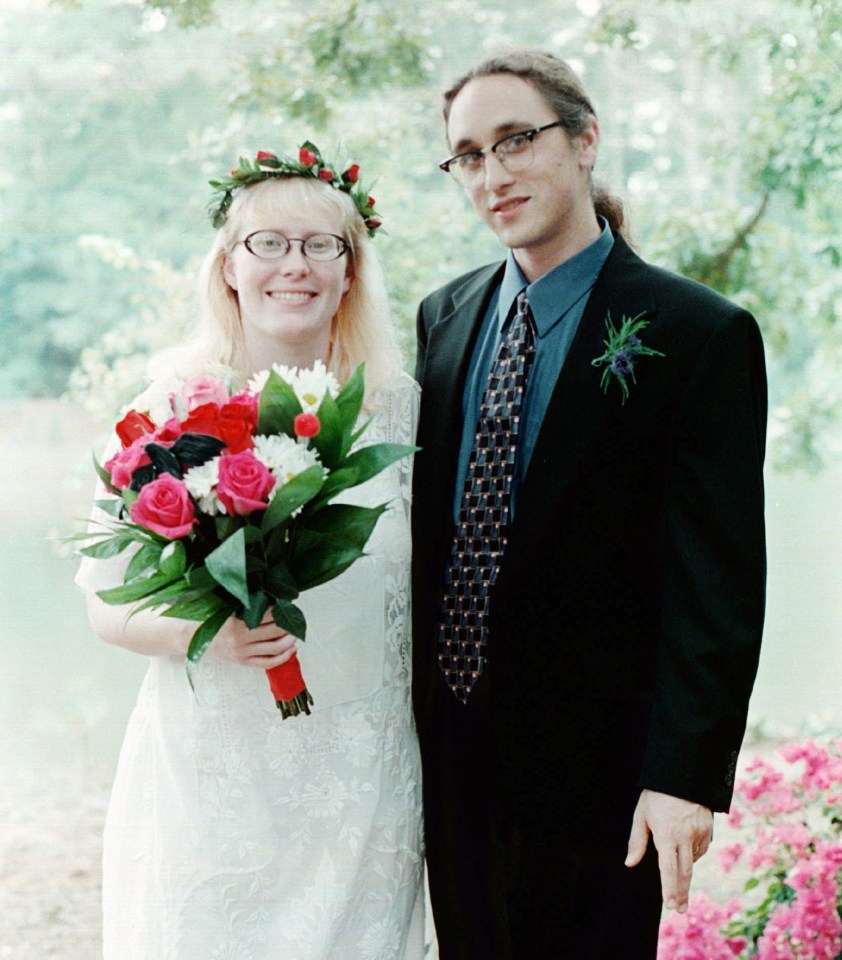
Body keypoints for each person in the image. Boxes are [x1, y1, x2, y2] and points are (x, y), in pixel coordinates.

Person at [411, 49, 767, 960]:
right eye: (468, 156)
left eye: (516, 140)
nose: (493, 175)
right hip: (449, 756)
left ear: (584, 141)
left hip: (601, 777)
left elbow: (717, 583)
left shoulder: (698, 334)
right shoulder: (442, 319)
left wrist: (682, 776)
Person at [76, 145, 425, 959]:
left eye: (319, 245)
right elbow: (103, 600)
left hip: (363, 793)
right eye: (267, 242)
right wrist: (203, 634)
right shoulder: (167, 406)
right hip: (212, 784)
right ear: (229, 266)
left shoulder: (402, 410)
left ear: (351, 270)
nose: (292, 266)